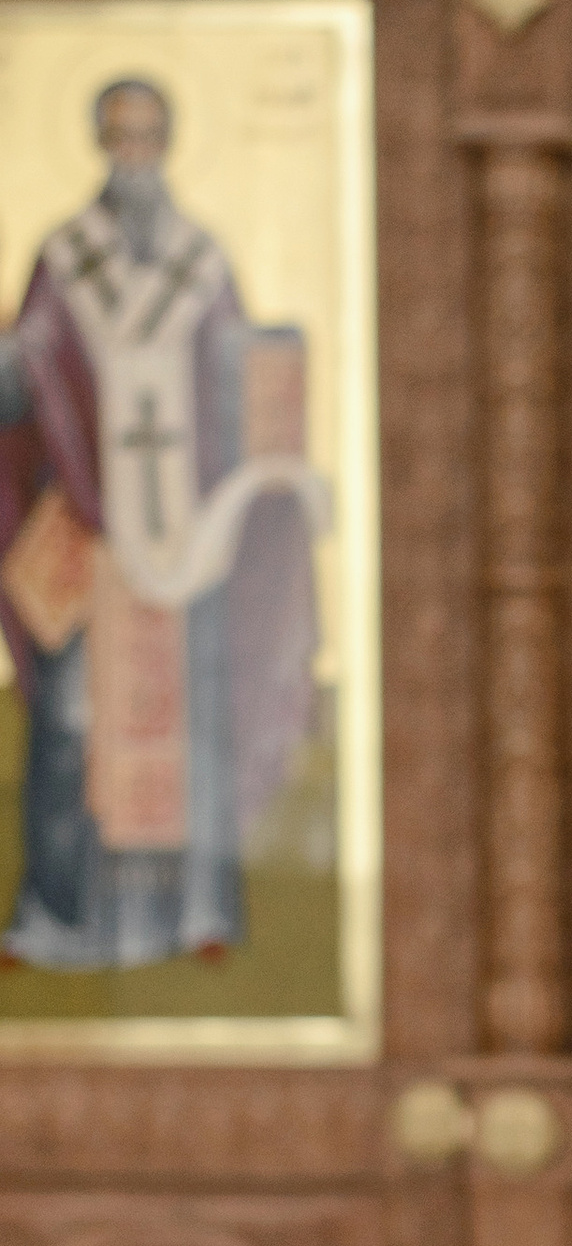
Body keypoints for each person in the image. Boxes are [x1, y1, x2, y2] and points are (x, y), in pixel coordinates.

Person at [0, 76, 327, 968]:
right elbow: (24, 377)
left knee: (195, 721)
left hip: (189, 539)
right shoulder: (67, 259)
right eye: (119, 138)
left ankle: (197, 912)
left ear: (168, 144)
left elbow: (239, 377)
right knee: (70, 724)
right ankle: (57, 914)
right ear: (100, 144)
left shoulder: (201, 261)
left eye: (147, 137)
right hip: (89, 535)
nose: (133, 156)